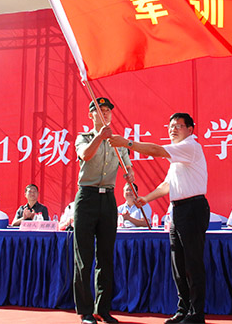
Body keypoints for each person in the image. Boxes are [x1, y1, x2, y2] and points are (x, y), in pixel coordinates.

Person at [110, 112, 209, 324]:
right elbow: (167, 185)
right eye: (171, 126)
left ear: (190, 130)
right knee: (178, 264)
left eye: (178, 126)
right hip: (178, 210)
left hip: (193, 209)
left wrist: (127, 143)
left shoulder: (190, 146)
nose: (173, 129)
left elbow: (156, 150)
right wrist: (146, 198)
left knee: (192, 263)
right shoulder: (177, 157)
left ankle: (196, 314)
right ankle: (183, 310)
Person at [73, 97, 133, 324]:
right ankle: (86, 311)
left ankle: (103, 309)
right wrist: (100, 137)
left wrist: (130, 174)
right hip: (87, 198)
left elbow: (128, 165)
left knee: (106, 257)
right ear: (91, 115)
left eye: (108, 110)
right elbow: (85, 155)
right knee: (84, 257)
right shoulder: (84, 138)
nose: (105, 113)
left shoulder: (118, 141)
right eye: (100, 110)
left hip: (108, 198)